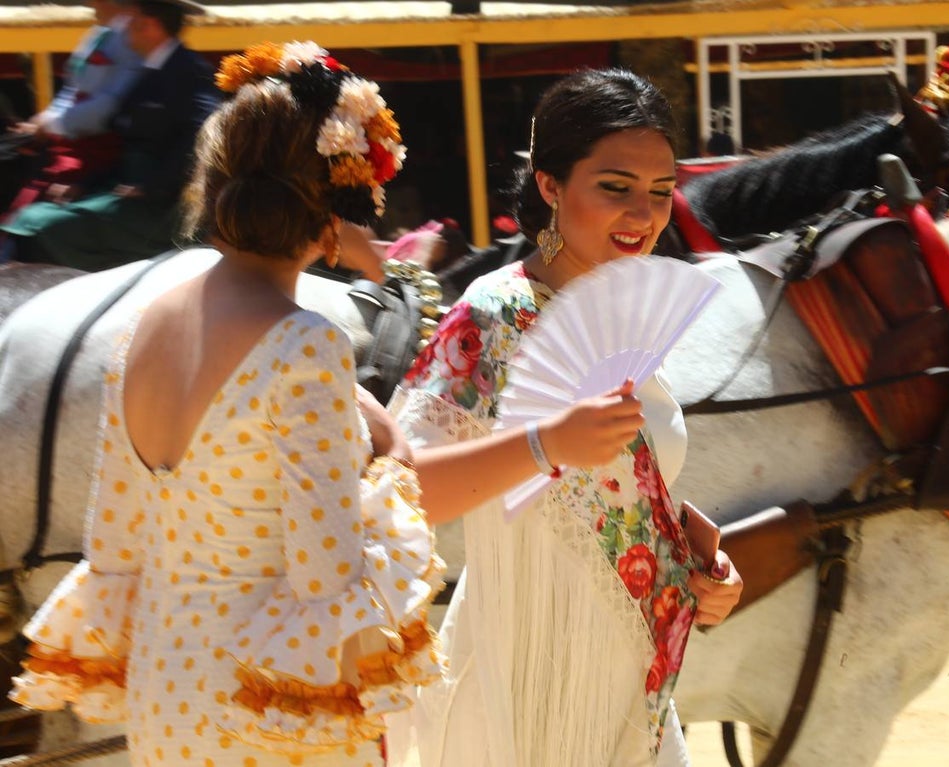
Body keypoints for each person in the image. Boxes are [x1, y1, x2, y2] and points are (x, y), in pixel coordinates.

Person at [9, 44, 646, 767]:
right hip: (263, 703)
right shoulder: (301, 343)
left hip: (164, 690)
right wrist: (397, 449)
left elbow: (117, 540)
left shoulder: (145, 323)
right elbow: (329, 571)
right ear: (336, 218)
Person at [390, 68, 745, 767]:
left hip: (629, 692)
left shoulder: (629, 318)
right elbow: (399, 494)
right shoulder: (493, 317)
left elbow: (604, 490)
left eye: (661, 191)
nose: (643, 215)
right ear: (550, 185)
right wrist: (543, 444)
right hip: (517, 695)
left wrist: (699, 564)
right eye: (615, 187)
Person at [0, 0, 218, 270]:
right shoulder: (152, 70)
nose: (123, 28)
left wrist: (154, 186)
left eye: (130, 21)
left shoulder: (189, 70)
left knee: (47, 228)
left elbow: (202, 135)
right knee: (33, 217)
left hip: (162, 206)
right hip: (126, 189)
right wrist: (86, 183)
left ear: (147, 25)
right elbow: (129, 147)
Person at [1, 0, 142, 214]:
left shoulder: (135, 40)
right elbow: (72, 89)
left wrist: (52, 124)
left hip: (100, 148)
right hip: (68, 138)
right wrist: (43, 120)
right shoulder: (98, 34)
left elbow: (110, 104)